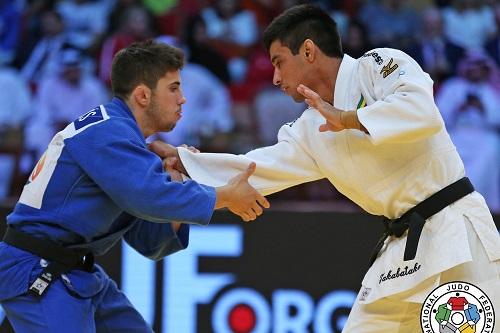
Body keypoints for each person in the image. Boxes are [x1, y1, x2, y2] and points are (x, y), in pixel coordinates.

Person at [150, 4, 500, 332]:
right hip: (401, 250)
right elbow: (256, 167)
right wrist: (187, 162)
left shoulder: (378, 67)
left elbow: (422, 110)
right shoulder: (309, 128)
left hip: (455, 234)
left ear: (308, 51)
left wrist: (348, 118)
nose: (274, 78)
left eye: (278, 62)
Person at [0, 40, 269, 333]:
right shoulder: (107, 132)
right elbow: (151, 198)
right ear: (142, 95)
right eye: (174, 88)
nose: (183, 99)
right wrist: (224, 196)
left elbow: (151, 242)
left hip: (77, 272)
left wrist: (176, 176)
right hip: (37, 271)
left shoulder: (127, 141)